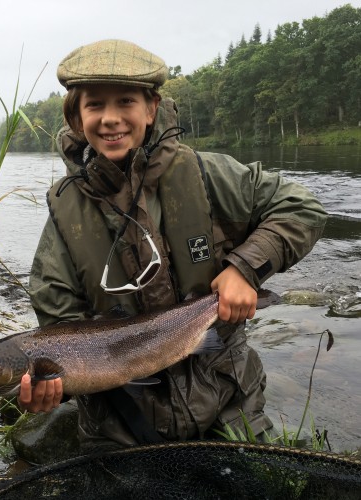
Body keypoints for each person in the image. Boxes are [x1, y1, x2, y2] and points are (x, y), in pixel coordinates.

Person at [18, 39, 327, 450]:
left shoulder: (207, 175)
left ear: (151, 108)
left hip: (228, 399)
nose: (110, 119)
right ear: (76, 117)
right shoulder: (64, 212)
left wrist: (245, 269)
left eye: (125, 101)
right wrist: (54, 390)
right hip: (119, 423)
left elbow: (302, 208)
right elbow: (60, 328)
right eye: (95, 105)